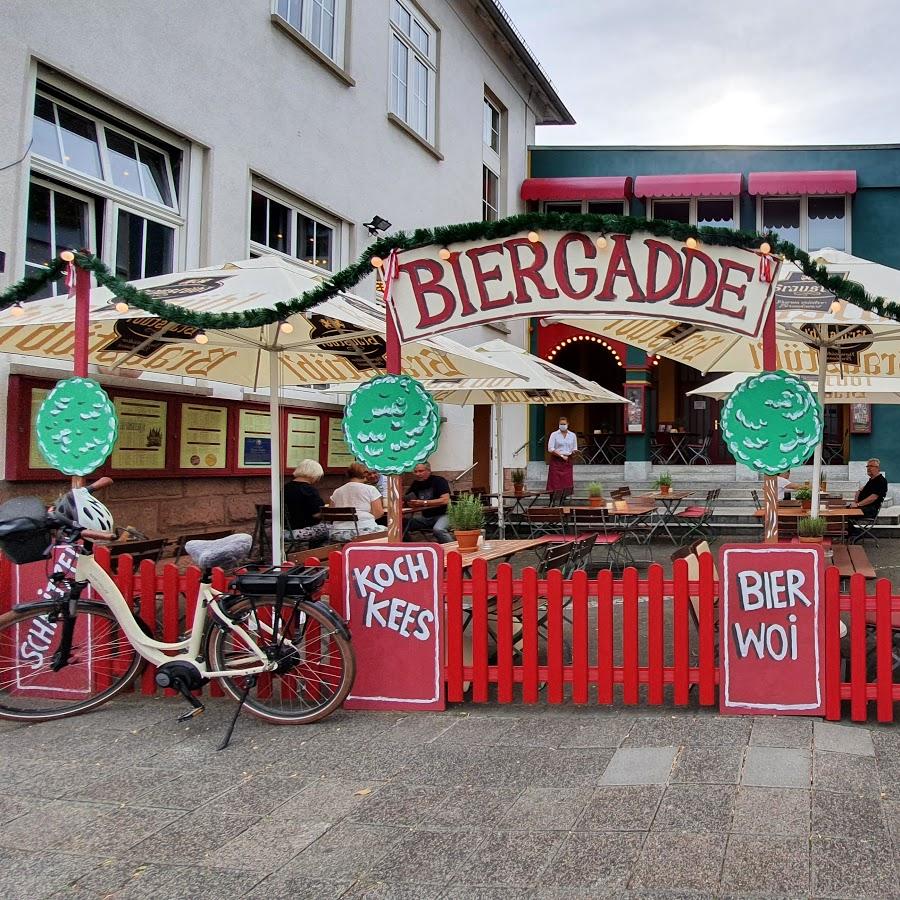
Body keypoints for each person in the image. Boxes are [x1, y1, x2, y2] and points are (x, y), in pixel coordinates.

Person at [328, 462, 386, 541]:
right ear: (364, 474)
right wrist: (366, 519)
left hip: (338, 532)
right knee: (390, 532)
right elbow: (379, 512)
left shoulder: (337, 491)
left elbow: (331, 513)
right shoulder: (370, 489)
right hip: (363, 531)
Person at [404, 461, 452, 543]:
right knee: (400, 525)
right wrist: (410, 502)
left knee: (438, 529)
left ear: (429, 471)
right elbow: (407, 498)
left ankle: (453, 549)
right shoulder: (416, 484)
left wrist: (423, 502)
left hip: (444, 515)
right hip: (426, 518)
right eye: (415, 472)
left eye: (421, 471)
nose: (418, 474)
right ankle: (409, 548)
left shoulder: (439, 481)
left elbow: (445, 500)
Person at [283, 459, 328, 546]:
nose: (318, 479)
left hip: (285, 528)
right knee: (332, 529)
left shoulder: (285, 487)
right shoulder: (309, 490)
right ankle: (316, 553)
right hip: (303, 529)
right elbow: (317, 514)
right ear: (313, 474)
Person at [848, 458, 887, 539]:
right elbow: (860, 491)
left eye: (871, 466)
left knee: (845, 514)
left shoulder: (881, 481)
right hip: (863, 507)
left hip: (871, 509)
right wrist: (858, 494)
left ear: (878, 468)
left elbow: (873, 497)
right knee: (844, 510)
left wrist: (858, 504)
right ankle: (854, 534)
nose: (868, 468)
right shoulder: (871, 480)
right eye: (867, 466)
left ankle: (856, 534)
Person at [546, 416, 577, 494]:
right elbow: (550, 448)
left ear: (568, 424)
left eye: (564, 424)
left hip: (567, 460)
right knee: (554, 480)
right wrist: (561, 456)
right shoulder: (554, 434)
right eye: (561, 424)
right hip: (556, 460)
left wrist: (574, 452)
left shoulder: (572, 435)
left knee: (566, 481)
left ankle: (564, 498)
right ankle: (552, 499)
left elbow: (574, 448)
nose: (562, 425)